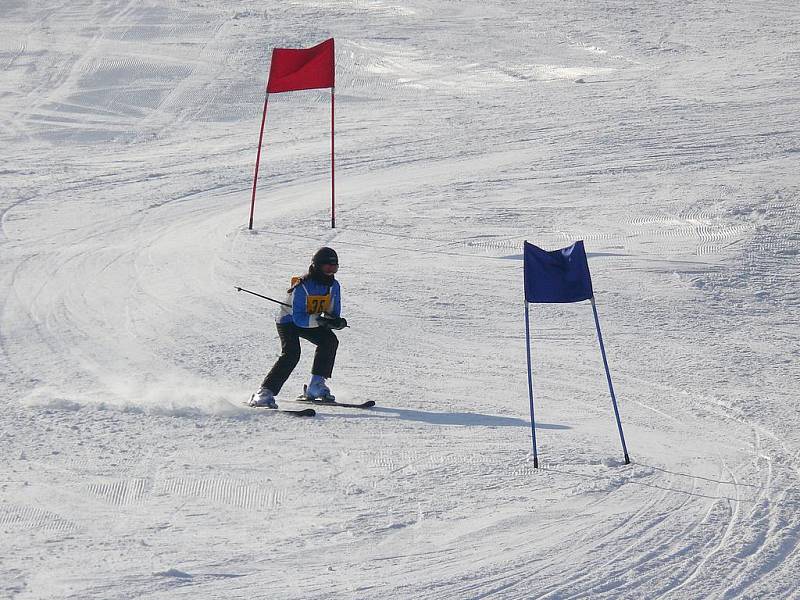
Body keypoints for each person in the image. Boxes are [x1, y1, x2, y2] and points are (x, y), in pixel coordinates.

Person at [250, 247, 348, 408]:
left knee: (329, 341)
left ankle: (316, 386)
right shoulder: (302, 286)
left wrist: (336, 322)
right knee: (292, 354)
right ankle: (264, 392)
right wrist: (322, 322)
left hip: (311, 320)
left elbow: (332, 312)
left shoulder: (334, 286)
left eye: (334, 267)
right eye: (327, 267)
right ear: (317, 266)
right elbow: (300, 319)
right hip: (288, 321)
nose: (331, 272)